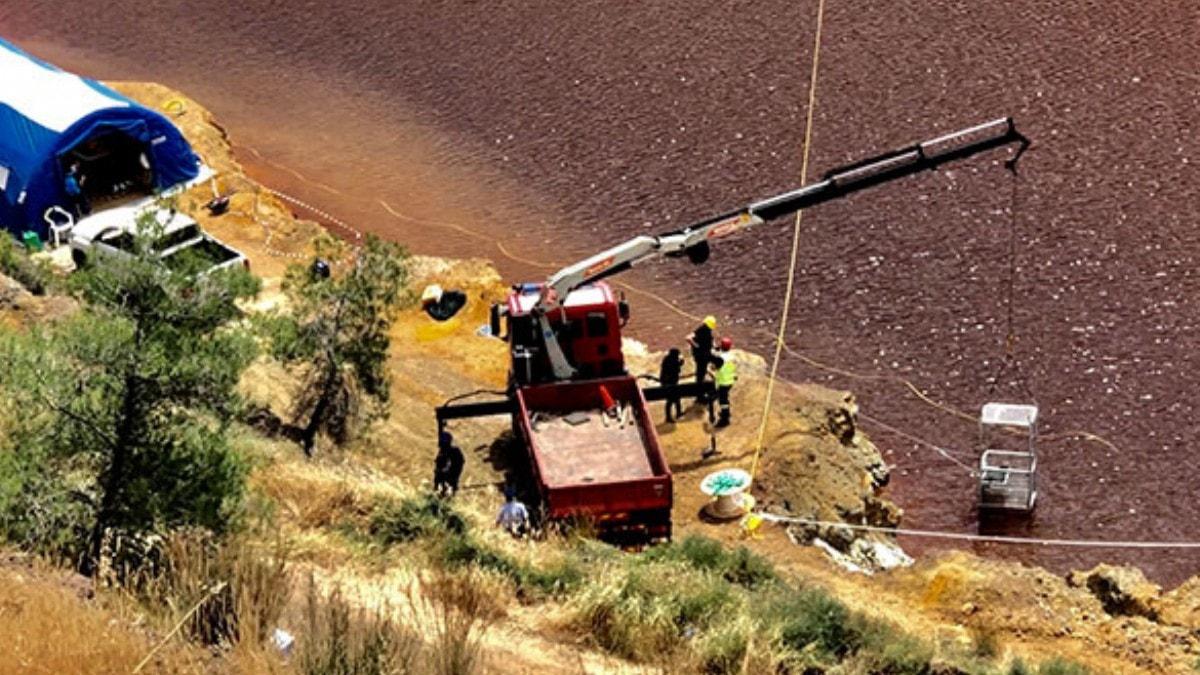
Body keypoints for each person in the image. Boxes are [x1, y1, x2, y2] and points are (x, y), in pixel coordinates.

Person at [687, 316, 717, 400]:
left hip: (704, 355)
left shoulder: (706, 330)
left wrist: (713, 346)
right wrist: (697, 346)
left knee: (701, 373)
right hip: (702, 356)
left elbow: (710, 340)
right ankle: (699, 396)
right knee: (700, 375)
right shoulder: (701, 330)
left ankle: (702, 393)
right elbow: (688, 338)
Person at [713, 337, 738, 428]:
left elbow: (714, 367)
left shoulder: (720, 358)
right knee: (724, 397)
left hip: (723, 381)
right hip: (730, 380)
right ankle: (725, 413)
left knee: (723, 401)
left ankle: (725, 418)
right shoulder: (732, 356)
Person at [433, 430, 465, 497]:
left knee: (446, 497)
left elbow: (458, 465)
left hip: (448, 481)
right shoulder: (443, 452)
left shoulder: (453, 452)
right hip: (444, 481)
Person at [659, 348, 685, 422]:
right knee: (671, 400)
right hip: (670, 383)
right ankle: (670, 417)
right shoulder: (673, 361)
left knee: (675, 398)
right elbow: (676, 369)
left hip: (667, 382)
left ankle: (677, 413)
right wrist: (681, 363)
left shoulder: (667, 359)